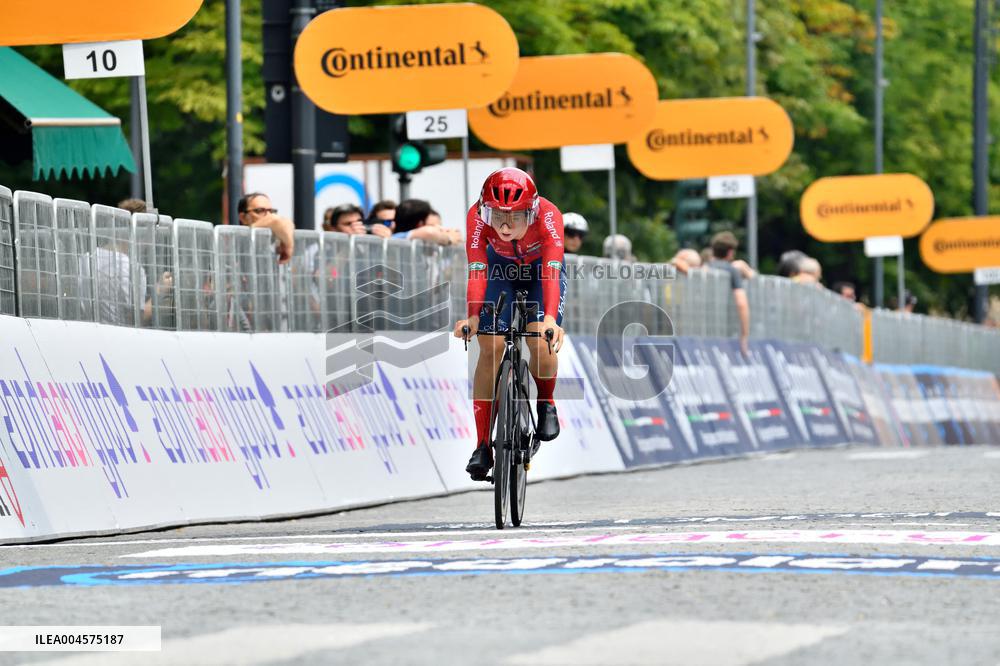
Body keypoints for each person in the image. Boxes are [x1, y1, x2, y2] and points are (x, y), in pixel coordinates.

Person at [452, 168, 566, 481]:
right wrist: (473, 316)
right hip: (499, 272)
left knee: (539, 342)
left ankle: (546, 401)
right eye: (495, 215)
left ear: (531, 211)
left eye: (514, 217)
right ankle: (482, 445)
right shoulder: (476, 217)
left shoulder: (550, 216)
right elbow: (477, 268)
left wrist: (551, 320)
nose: (503, 225)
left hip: (540, 272)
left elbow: (553, 271)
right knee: (490, 346)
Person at [708, 231, 751, 357]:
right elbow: (741, 303)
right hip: (724, 332)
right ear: (730, 252)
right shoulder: (732, 271)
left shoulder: (704, 267)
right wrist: (744, 336)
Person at [237, 192, 294, 263]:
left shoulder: (273, 244)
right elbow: (278, 222)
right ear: (243, 218)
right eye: (260, 210)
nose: (269, 215)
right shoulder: (233, 244)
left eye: (271, 211)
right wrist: (289, 246)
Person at [393, 199, 461, 245]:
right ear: (420, 224)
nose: (439, 228)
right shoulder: (397, 238)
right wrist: (450, 239)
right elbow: (429, 232)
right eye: (431, 225)